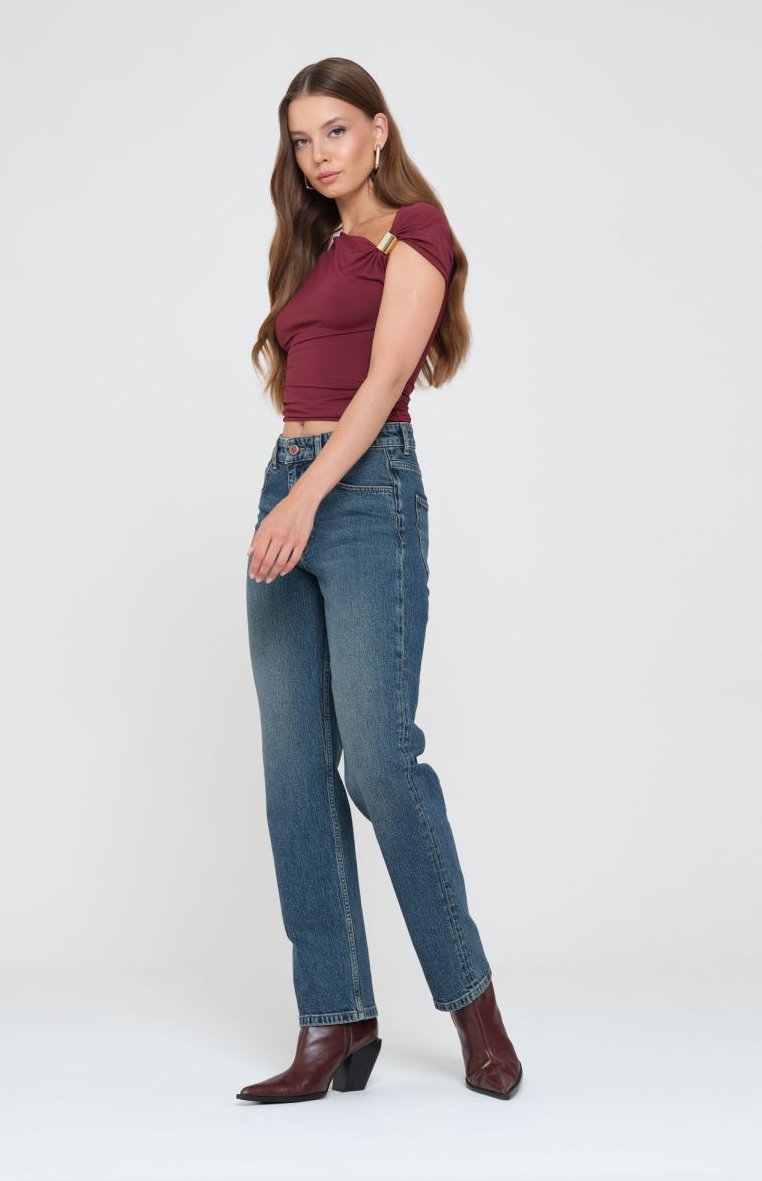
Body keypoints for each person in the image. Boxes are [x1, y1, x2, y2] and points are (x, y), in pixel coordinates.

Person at [239, 56, 523, 1104]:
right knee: (292, 773)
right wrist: (287, 492)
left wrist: (306, 500)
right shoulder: (315, 249)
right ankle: (335, 1018)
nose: (317, 156)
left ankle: (474, 1008)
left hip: (361, 497)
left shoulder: (416, 231)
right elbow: (306, 383)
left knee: (381, 767)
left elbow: (382, 382)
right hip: (289, 484)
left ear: (377, 129)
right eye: (300, 140)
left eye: (334, 131)